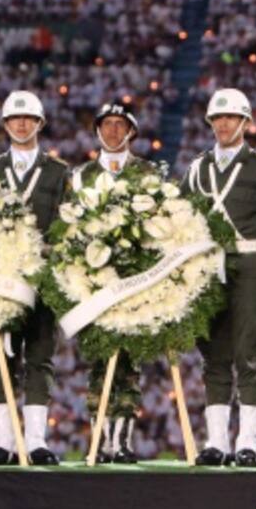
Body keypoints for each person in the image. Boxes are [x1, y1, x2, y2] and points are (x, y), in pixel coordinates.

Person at [182, 88, 256, 467]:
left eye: (231, 118)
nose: (223, 124)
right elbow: (179, 224)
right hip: (208, 273)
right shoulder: (197, 169)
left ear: (246, 122)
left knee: (248, 357)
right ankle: (216, 442)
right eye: (217, 118)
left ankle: (247, 442)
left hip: (251, 272)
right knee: (214, 359)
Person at [0, 90, 68, 465]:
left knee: (40, 356)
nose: (21, 124)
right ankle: (3, 441)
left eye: (29, 119)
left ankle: (34, 440)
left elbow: (68, 226)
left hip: (43, 281)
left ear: (40, 124)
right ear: (4, 124)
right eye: (15, 119)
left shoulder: (59, 172)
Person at [70, 102, 161, 463]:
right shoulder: (80, 176)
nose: (112, 130)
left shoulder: (148, 173)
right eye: (106, 124)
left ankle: (121, 440)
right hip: (93, 283)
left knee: (129, 363)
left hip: (136, 281)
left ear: (131, 132)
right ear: (97, 130)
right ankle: (100, 438)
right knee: (97, 359)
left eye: (119, 124)